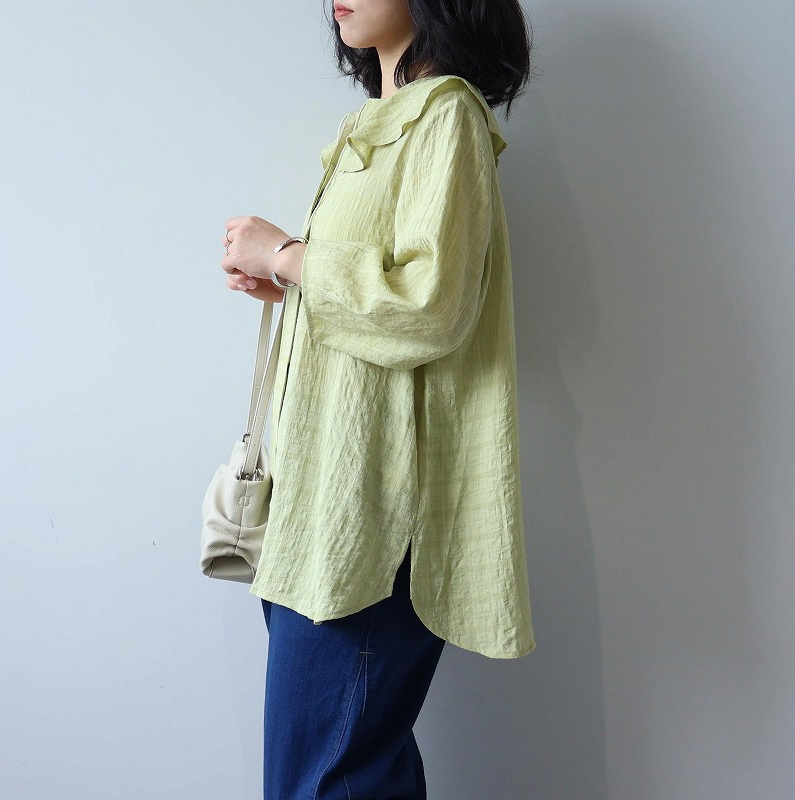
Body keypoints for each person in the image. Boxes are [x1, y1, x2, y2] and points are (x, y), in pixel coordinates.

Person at [220, 1, 537, 797]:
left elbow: (430, 307)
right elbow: (382, 304)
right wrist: (293, 286)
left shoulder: (445, 117)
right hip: (323, 508)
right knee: (347, 775)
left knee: (324, 781)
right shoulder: (382, 122)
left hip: (370, 519)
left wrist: (289, 255)